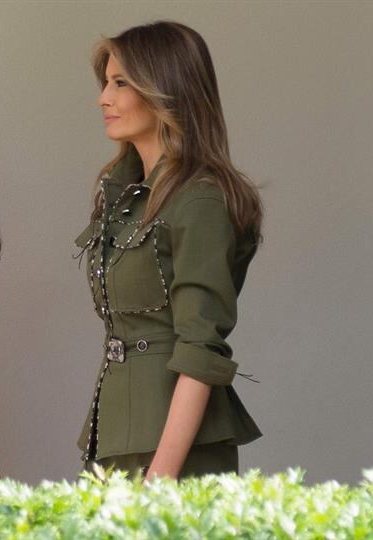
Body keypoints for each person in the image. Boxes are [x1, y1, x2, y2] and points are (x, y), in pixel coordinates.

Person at [75, 21, 263, 479]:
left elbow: (200, 346)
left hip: (173, 449)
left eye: (121, 83)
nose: (104, 97)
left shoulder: (200, 198)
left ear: (165, 91)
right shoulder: (125, 195)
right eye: (106, 82)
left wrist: (162, 475)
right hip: (117, 435)